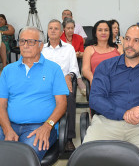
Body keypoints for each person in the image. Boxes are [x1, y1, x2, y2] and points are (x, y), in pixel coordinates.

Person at [83, 25, 139, 166]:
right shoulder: (106, 66)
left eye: (136, 40)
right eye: (127, 39)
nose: (130, 45)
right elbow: (95, 99)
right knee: (85, 158)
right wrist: (124, 113)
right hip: (107, 123)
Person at [0, 26, 68, 161]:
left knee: (23, 158)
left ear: (41, 45)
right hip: (8, 125)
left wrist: (47, 126)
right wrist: (7, 129)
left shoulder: (54, 69)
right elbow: (1, 105)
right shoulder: (8, 70)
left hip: (40, 127)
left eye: (30, 42)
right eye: (22, 41)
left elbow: (62, 104)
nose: (25, 46)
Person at [42, 19, 79, 151]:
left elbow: (74, 69)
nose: (52, 30)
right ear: (47, 31)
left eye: (56, 28)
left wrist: (69, 76)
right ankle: (45, 132)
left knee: (69, 98)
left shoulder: (69, 48)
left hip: (63, 82)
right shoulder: (41, 49)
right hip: (44, 83)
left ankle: (68, 138)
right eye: (50, 28)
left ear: (61, 31)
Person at [82, 20, 123, 85]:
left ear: (110, 33)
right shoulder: (89, 49)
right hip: (98, 83)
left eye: (106, 30)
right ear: (95, 33)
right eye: (100, 30)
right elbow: (85, 70)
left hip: (117, 83)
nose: (103, 33)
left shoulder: (118, 48)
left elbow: (124, 67)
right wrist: (92, 79)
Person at [60, 18, 86, 96]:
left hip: (76, 61)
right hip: (62, 61)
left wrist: (77, 54)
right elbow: (59, 53)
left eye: (72, 28)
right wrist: (71, 55)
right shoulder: (59, 38)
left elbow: (83, 53)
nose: (70, 30)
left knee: (73, 60)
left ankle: (77, 78)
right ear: (64, 28)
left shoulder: (79, 38)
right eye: (68, 28)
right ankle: (79, 79)